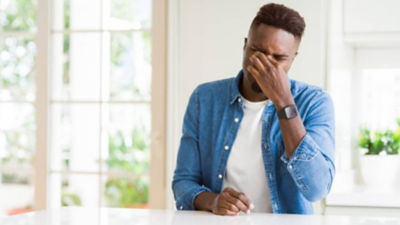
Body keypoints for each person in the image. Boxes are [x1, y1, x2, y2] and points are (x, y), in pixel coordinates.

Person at [172, 3, 335, 215]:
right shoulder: (204, 99)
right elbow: (183, 183)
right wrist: (213, 201)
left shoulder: (314, 102)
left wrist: (284, 101)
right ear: (245, 45)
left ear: (293, 58)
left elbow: (317, 189)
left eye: (278, 58)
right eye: (257, 51)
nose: (264, 64)